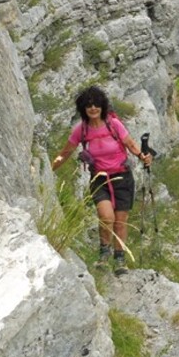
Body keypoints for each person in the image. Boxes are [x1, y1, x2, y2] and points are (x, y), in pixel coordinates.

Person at [51, 86, 152, 275]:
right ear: (83, 108)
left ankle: (119, 259)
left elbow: (130, 144)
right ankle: (104, 255)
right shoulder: (80, 130)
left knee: (120, 222)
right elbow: (65, 153)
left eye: (96, 104)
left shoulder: (114, 125)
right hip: (99, 179)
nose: (93, 108)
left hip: (122, 176)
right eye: (88, 105)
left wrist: (142, 156)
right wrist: (50, 168)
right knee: (106, 217)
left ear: (102, 106)